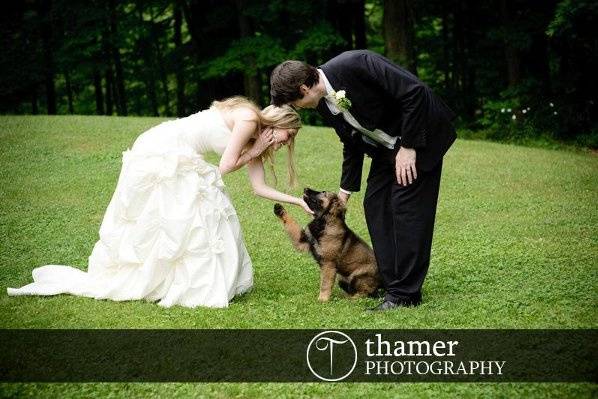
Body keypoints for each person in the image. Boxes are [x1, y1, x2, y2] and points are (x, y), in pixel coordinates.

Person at [7, 96, 311, 308]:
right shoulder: (247, 118)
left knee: (202, 209)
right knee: (190, 209)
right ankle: (165, 279)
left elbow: (258, 187)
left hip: (184, 157)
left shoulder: (256, 142)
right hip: (163, 146)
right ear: (277, 120)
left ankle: (172, 279)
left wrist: (297, 201)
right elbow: (224, 168)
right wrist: (256, 148)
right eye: (289, 133)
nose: (287, 141)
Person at [270, 50, 456, 311]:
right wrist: (344, 192)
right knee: (375, 204)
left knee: (406, 208)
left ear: (303, 88)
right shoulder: (323, 102)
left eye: (294, 103)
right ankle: (392, 284)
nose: (297, 108)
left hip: (420, 136)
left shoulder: (356, 64)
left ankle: (406, 295)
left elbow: (415, 92)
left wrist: (410, 147)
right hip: (385, 148)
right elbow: (351, 142)